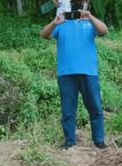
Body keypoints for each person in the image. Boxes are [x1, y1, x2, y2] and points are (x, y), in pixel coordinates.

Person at [41, 4, 108, 150]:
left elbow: (104, 30)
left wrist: (90, 17)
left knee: (95, 108)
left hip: (89, 72)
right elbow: (44, 35)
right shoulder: (61, 21)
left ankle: (99, 141)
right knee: (68, 110)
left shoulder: (89, 21)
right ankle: (70, 141)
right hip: (66, 73)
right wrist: (54, 22)